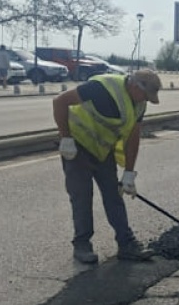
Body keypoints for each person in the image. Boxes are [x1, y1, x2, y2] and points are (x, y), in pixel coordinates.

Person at [52, 69, 162, 264]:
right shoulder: (101, 88)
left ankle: (126, 244)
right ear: (135, 85)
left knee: (114, 195)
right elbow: (59, 102)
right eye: (144, 95)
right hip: (76, 147)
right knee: (82, 196)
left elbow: (133, 138)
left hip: (102, 151)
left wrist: (129, 173)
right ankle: (82, 244)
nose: (144, 100)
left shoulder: (139, 105)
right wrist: (66, 138)